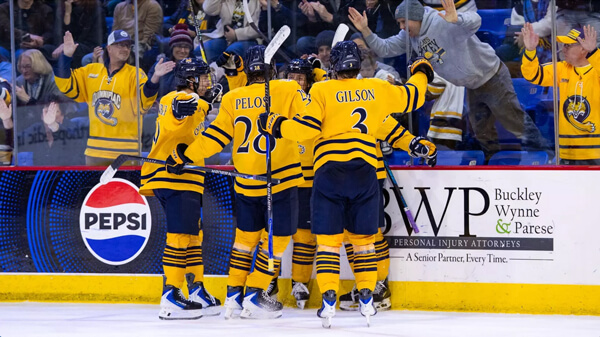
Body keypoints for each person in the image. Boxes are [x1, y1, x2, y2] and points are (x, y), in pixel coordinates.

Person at [257, 40, 436, 326]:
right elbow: (412, 96)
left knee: (328, 244)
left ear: (334, 66)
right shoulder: (377, 89)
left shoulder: (322, 90)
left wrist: (275, 125)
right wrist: (423, 71)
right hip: (365, 173)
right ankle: (366, 297)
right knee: (364, 242)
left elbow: (304, 131)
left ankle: (329, 299)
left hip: (329, 174)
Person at [167, 45, 309, 319]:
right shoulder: (287, 89)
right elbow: (309, 125)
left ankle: (233, 294)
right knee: (276, 242)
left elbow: (216, 137)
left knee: (244, 241)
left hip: (246, 183)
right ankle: (255, 293)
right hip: (280, 180)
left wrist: (186, 154)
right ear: (272, 69)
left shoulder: (233, 97)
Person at [349, 0, 550, 161]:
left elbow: (476, 20)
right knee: (482, 133)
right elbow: (385, 48)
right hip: (472, 85)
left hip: (491, 76)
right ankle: (492, 165)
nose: (401, 27)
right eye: (399, 23)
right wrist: (366, 30)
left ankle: (547, 156)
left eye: (403, 22)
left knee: (515, 121)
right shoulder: (409, 36)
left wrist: (456, 19)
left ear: (416, 17)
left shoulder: (441, 21)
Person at [139, 57, 221, 320]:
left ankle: (195, 289)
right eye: (203, 77)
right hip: (173, 177)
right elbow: (180, 106)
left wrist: (206, 101)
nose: (207, 82)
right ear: (190, 80)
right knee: (179, 237)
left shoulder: (196, 102)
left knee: (193, 236)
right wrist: (206, 101)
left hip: (187, 178)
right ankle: (171, 294)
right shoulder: (178, 98)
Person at [54, 30, 175, 166]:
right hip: (95, 151)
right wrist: (66, 56)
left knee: (125, 187)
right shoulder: (91, 71)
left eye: (127, 46)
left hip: (126, 152)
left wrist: (154, 79)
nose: (125, 49)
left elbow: (144, 102)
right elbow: (65, 84)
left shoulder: (135, 74)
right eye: (120, 45)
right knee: (94, 187)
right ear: (109, 48)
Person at [522, 24, 600, 165]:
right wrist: (530, 50)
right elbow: (532, 75)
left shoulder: (596, 70)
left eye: (568, 46)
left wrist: (594, 52)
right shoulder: (562, 68)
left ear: (583, 48)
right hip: (567, 150)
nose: (563, 49)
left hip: (596, 152)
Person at [15, 49, 69, 130]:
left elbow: (52, 110)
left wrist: (28, 100)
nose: (24, 70)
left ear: (38, 65)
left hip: (54, 126)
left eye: (28, 66)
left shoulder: (54, 81)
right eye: (22, 66)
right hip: (28, 126)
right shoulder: (19, 82)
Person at [51, 0, 106, 68]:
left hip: (88, 47)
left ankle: (65, 77)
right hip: (66, 45)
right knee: (46, 50)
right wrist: (67, 14)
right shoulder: (63, 8)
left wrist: (69, 45)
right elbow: (59, 36)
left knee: (70, 52)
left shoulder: (97, 11)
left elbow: (94, 41)